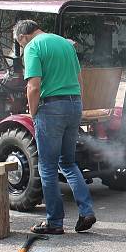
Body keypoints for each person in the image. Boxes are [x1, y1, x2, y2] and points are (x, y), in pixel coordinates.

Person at [13, 19, 96, 235]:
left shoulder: (33, 46)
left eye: (19, 45)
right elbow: (79, 79)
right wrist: (78, 106)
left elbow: (34, 85)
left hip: (51, 107)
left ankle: (54, 222)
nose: (22, 49)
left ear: (23, 37)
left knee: (47, 166)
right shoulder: (65, 44)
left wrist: (32, 114)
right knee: (68, 162)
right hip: (74, 104)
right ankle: (86, 211)